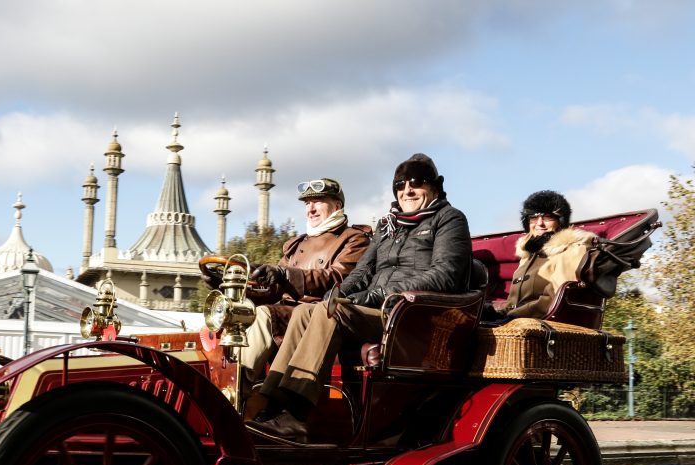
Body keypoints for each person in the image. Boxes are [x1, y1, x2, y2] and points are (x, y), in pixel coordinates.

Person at [246, 153, 473, 443]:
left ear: (435, 188)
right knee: (311, 311)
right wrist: (335, 294)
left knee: (332, 313)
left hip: (412, 316)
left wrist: (379, 294)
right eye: (400, 186)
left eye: (417, 183)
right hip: (380, 312)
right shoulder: (389, 226)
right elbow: (362, 273)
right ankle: (271, 403)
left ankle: (297, 416)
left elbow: (447, 274)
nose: (408, 191)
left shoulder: (450, 219)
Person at [205, 178, 371, 388]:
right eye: (306, 203)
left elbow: (338, 279)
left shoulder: (354, 239)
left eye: (318, 201)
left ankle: (235, 386)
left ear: (337, 205)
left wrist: (285, 275)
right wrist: (228, 286)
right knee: (228, 319)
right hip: (286, 312)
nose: (310, 209)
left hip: (318, 314)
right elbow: (273, 288)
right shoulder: (296, 244)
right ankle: (217, 383)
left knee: (263, 315)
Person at [487, 190, 595, 320]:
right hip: (516, 322)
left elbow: (557, 296)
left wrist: (513, 316)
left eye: (547, 217)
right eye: (533, 217)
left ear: (560, 221)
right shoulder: (529, 254)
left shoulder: (571, 250)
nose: (539, 223)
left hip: (543, 325)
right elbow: (513, 304)